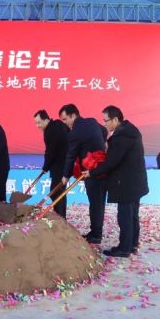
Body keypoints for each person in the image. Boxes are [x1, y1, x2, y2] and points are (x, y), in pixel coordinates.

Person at [84, 105, 148, 258]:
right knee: (132, 214)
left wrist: (91, 172)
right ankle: (132, 244)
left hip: (126, 182)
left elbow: (111, 162)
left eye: (106, 120)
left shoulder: (122, 136)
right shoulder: (130, 130)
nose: (104, 124)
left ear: (115, 119)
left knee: (125, 216)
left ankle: (124, 248)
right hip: (135, 181)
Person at [60, 103, 107, 243]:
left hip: (90, 170)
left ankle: (96, 235)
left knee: (95, 202)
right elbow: (104, 131)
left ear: (73, 115)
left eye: (65, 119)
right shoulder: (92, 121)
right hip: (103, 166)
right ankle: (96, 231)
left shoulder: (75, 133)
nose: (65, 122)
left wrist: (66, 175)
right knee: (99, 201)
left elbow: (71, 155)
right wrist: (100, 146)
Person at [33, 109, 70, 217]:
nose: (37, 126)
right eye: (36, 123)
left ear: (46, 120)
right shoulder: (58, 124)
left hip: (60, 164)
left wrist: (45, 167)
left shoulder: (50, 131)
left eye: (39, 123)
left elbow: (50, 152)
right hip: (66, 163)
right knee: (59, 191)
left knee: (55, 191)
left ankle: (60, 217)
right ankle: (61, 216)